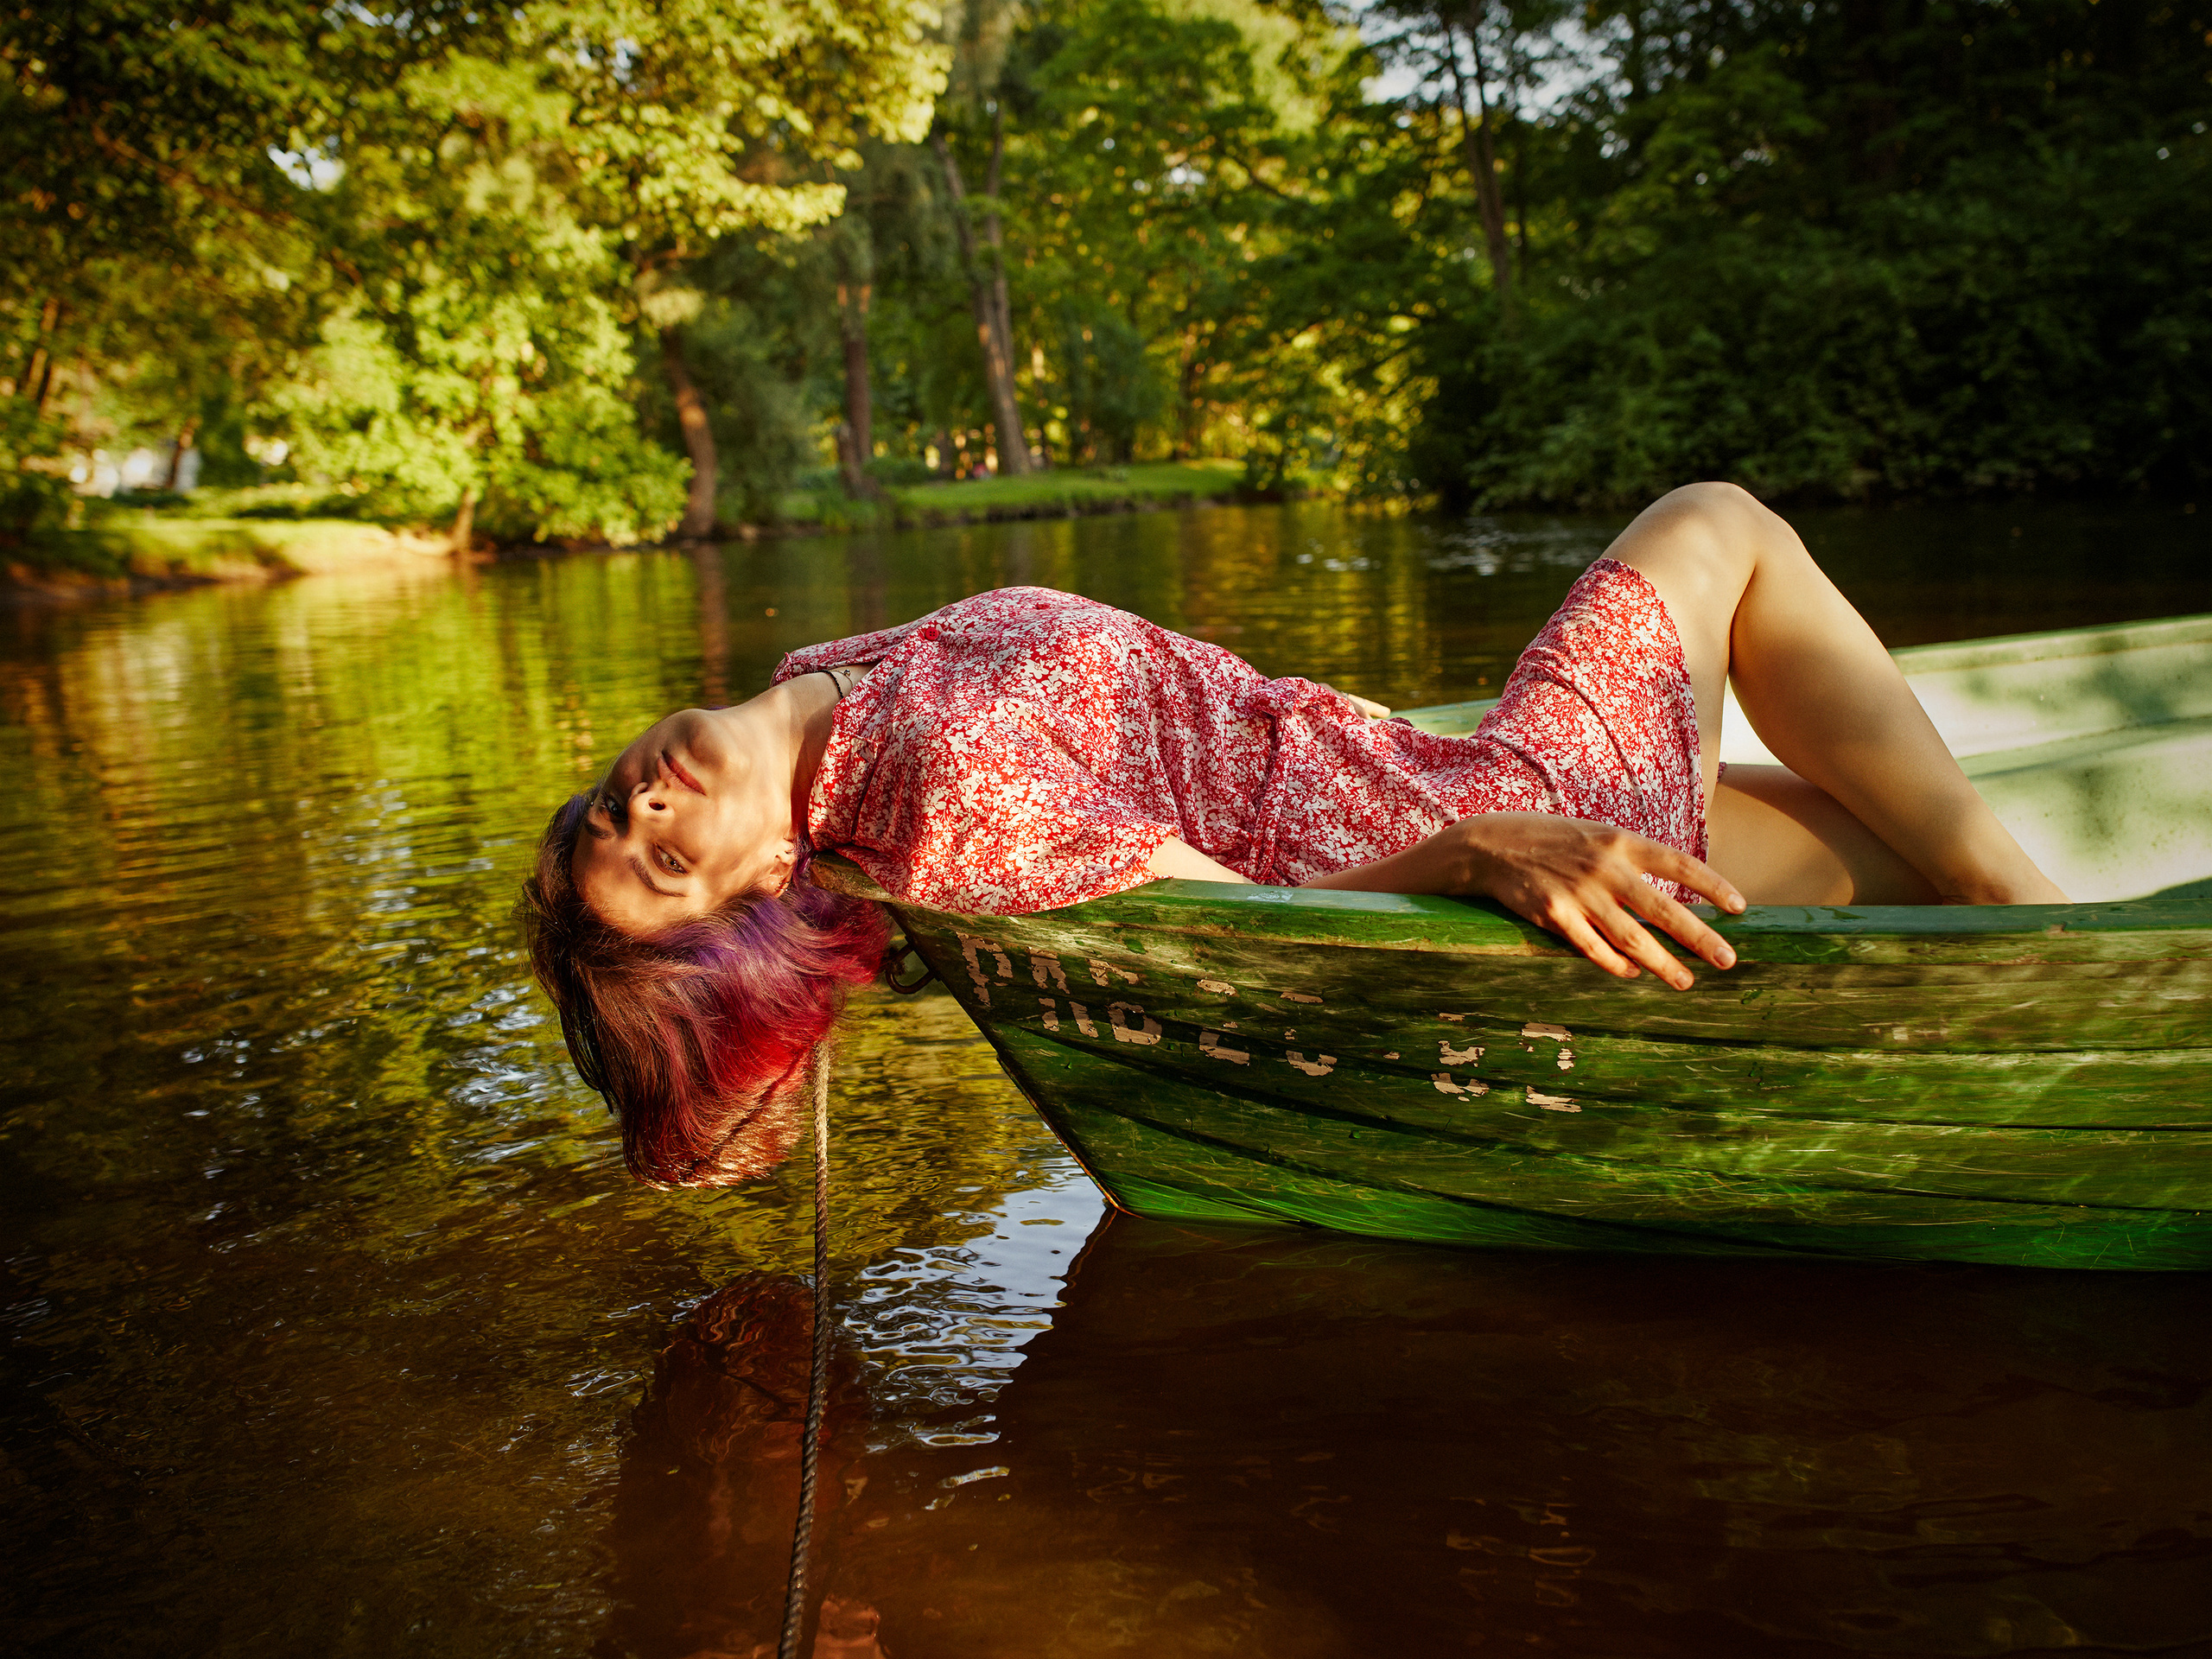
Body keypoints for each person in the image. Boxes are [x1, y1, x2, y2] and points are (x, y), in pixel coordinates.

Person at [522, 484, 2066, 1186]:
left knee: (1869, 847)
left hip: (1401, 760)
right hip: (1451, 819)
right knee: (1719, 526)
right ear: (762, 880)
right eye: (665, 858)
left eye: (617, 812)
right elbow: (1230, 920)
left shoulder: (825, 703)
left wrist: (750, 1068)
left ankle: (1985, 901)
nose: (651, 803)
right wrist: (1484, 853)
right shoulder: (927, 791)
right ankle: (2044, 920)